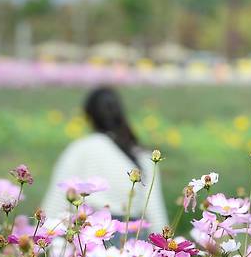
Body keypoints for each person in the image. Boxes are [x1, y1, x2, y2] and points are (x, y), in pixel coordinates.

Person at [41, 87, 168, 232]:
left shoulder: (80, 149)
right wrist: (164, 249)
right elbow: (155, 213)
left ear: (89, 116)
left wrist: (44, 238)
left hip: (91, 235)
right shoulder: (143, 155)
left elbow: (56, 201)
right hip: (131, 237)